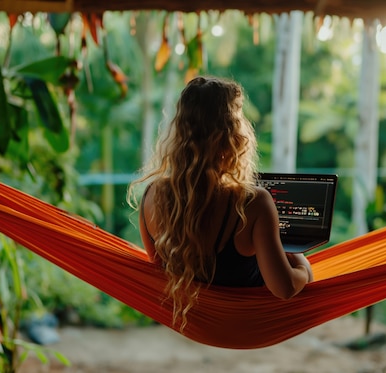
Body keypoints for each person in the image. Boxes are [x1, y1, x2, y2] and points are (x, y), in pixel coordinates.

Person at [129, 76, 313, 330]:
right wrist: (301, 263)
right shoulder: (254, 202)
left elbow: (159, 271)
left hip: (192, 320)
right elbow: (284, 289)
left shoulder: (152, 195)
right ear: (233, 133)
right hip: (247, 324)